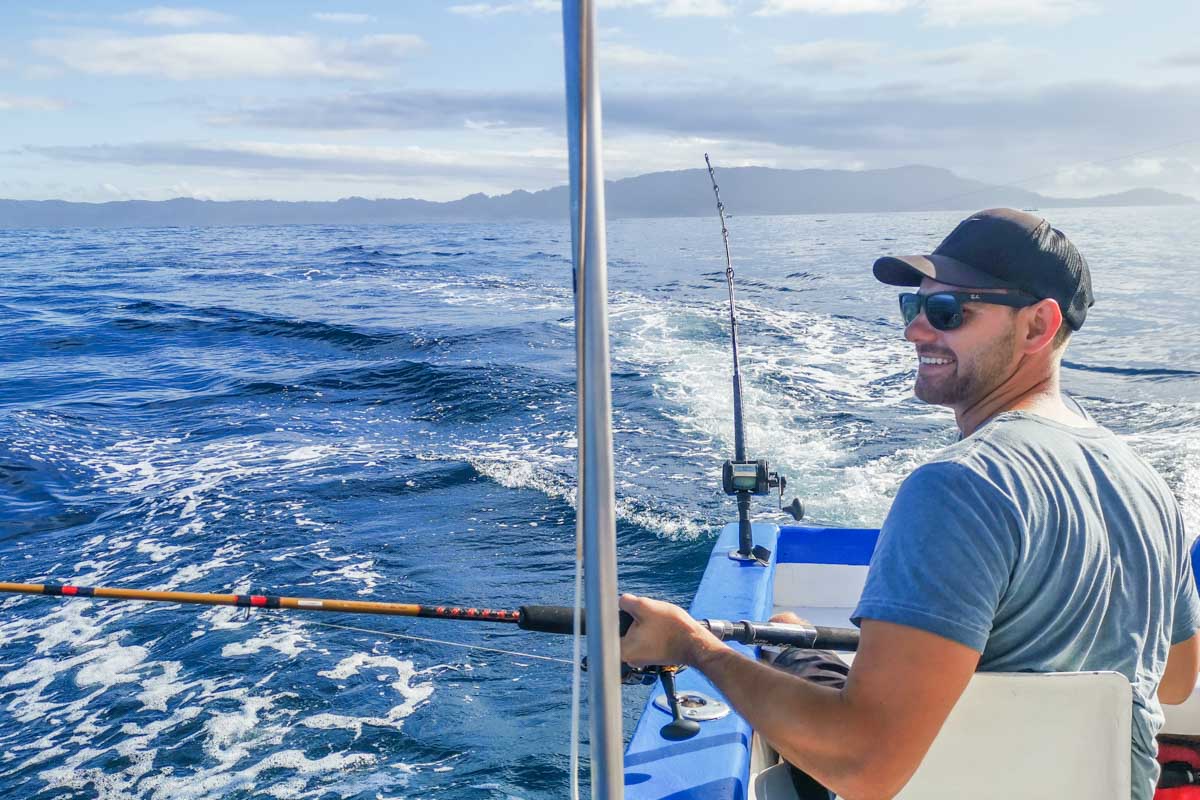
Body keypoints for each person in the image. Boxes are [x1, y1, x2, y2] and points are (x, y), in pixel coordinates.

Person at [620, 208, 1200, 800]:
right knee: (790, 632)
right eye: (912, 307)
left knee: (782, 639)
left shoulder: (960, 485)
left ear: (1037, 326)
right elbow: (1177, 680)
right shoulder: (1148, 485)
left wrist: (692, 646)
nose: (915, 331)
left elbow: (863, 765)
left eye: (947, 311)